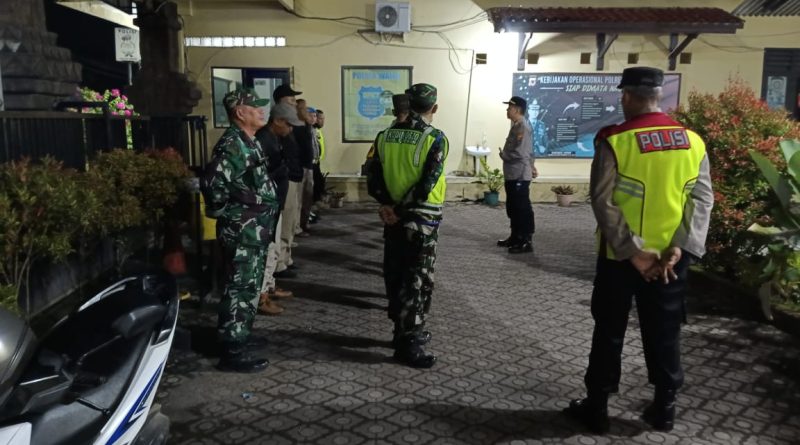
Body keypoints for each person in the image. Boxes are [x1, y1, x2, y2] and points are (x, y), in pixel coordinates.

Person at [564, 67, 713, 433]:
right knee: (665, 330)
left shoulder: (615, 140)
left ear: (626, 96)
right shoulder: (692, 141)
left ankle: (597, 408)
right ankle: (664, 408)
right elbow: (701, 199)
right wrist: (680, 248)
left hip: (619, 258)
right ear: (659, 96)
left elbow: (603, 201)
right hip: (669, 261)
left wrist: (634, 252)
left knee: (609, 331)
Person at [367, 83, 448, 369]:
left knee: (395, 274)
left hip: (393, 220)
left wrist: (388, 206)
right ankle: (409, 342)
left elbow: (372, 176)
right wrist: (401, 210)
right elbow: (427, 184)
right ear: (434, 108)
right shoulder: (434, 138)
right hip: (421, 220)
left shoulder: (384, 136)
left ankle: (399, 330)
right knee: (417, 281)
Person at [200, 88, 279, 373]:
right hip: (243, 230)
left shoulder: (248, 140)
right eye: (255, 107)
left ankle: (239, 335)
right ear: (240, 112)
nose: (262, 110)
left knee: (249, 285)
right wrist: (225, 212)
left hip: (253, 229)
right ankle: (231, 350)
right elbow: (212, 183)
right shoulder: (233, 144)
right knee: (240, 287)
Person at [255, 102, 304, 314]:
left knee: (273, 248)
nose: (291, 129)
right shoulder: (264, 140)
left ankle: (268, 286)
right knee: (267, 249)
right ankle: (261, 296)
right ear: (276, 120)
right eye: (288, 124)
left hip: (275, 201)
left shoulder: (275, 138)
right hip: (267, 203)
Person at [497, 96, 537, 253]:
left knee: (521, 208)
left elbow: (521, 153)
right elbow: (530, 151)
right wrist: (532, 166)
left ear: (517, 110)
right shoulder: (517, 126)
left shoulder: (522, 128)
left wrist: (504, 155)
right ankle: (515, 236)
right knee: (513, 207)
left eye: (510, 108)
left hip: (519, 174)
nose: (507, 110)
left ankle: (525, 240)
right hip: (513, 174)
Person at [272, 84, 303, 279]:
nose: (294, 103)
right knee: (283, 224)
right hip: (286, 180)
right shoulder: (273, 133)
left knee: (290, 222)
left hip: (293, 177)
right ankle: (280, 263)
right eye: (290, 100)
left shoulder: (288, 127)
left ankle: (286, 258)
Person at [294, 99, 315, 237]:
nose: (305, 110)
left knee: (307, 197)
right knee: (298, 199)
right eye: (302, 108)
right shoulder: (294, 126)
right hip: (300, 167)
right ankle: (297, 227)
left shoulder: (307, 125)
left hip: (309, 166)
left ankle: (304, 223)